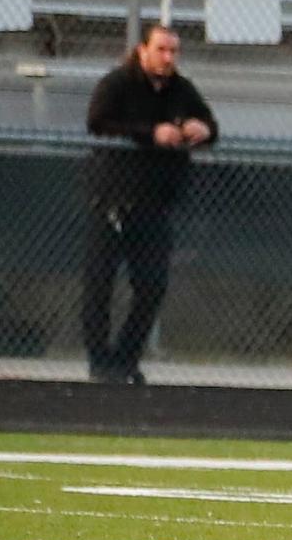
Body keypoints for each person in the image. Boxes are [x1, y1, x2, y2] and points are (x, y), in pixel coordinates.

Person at [80, 20, 216, 383]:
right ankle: (100, 362)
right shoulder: (117, 84)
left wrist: (201, 129)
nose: (168, 57)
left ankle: (125, 359)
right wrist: (150, 134)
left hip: (154, 205)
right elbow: (97, 121)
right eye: (161, 49)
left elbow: (209, 123)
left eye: (174, 51)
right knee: (99, 285)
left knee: (151, 286)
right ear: (143, 50)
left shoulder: (181, 89)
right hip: (111, 200)